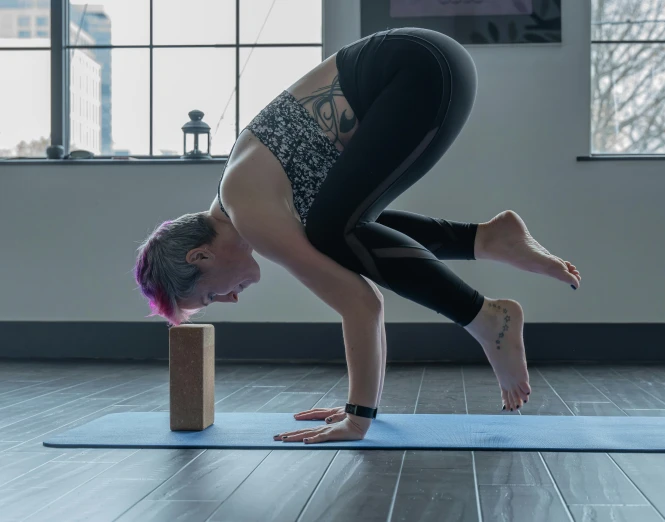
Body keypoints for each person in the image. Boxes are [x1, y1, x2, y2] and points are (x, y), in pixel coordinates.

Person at [133, 27, 581, 445]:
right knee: (336, 227)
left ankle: (487, 319)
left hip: (419, 70)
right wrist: (358, 407)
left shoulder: (249, 212)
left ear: (200, 257)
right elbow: (361, 268)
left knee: (331, 232)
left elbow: (361, 304)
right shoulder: (249, 192)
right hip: (426, 63)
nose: (230, 300)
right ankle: (487, 238)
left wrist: (358, 416)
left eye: (210, 297)